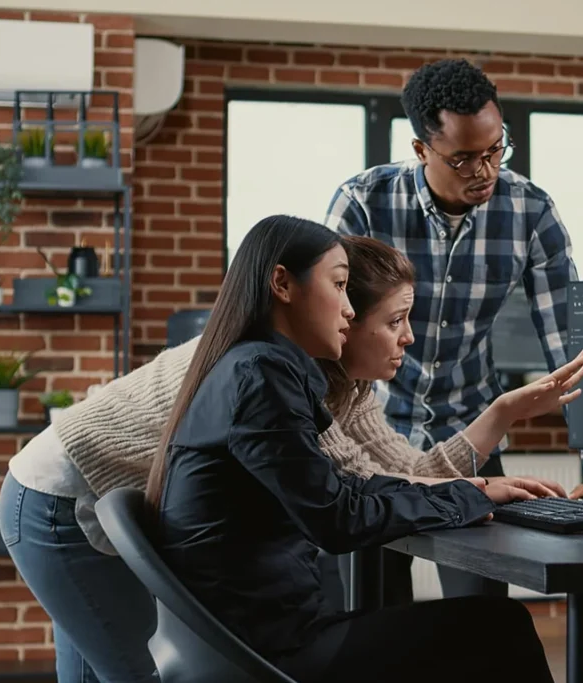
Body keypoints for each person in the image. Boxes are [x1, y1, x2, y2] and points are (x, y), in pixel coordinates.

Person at [0, 227, 583, 683]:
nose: (408, 338)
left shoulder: (333, 384)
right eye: (394, 320)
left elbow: (400, 474)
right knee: (125, 674)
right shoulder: (267, 376)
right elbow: (347, 505)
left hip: (108, 504)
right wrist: (467, 494)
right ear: (336, 313)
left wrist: (497, 419)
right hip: (58, 495)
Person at [146, 215, 556, 683]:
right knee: (501, 626)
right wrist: (468, 497)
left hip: (252, 637)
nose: (348, 309)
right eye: (339, 286)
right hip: (270, 650)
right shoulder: (262, 377)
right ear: (282, 284)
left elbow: (342, 486)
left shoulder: (257, 366)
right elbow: (339, 520)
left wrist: (470, 490)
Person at [325, 57, 578, 601]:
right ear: (421, 150)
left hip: (471, 431)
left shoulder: (530, 212)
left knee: (483, 615)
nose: (484, 171)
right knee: (366, 616)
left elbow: (568, 340)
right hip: (369, 439)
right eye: (464, 159)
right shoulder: (363, 204)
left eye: (495, 151)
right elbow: (326, 335)